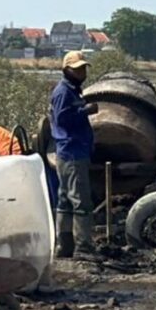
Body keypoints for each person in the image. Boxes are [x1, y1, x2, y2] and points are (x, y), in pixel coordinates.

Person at [50, 51, 99, 259]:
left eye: (83, 68)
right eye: (77, 69)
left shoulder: (73, 91)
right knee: (80, 200)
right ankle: (83, 247)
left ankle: (65, 245)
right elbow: (62, 120)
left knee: (65, 199)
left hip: (71, 150)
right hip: (72, 151)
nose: (82, 72)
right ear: (67, 70)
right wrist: (86, 111)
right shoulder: (64, 92)